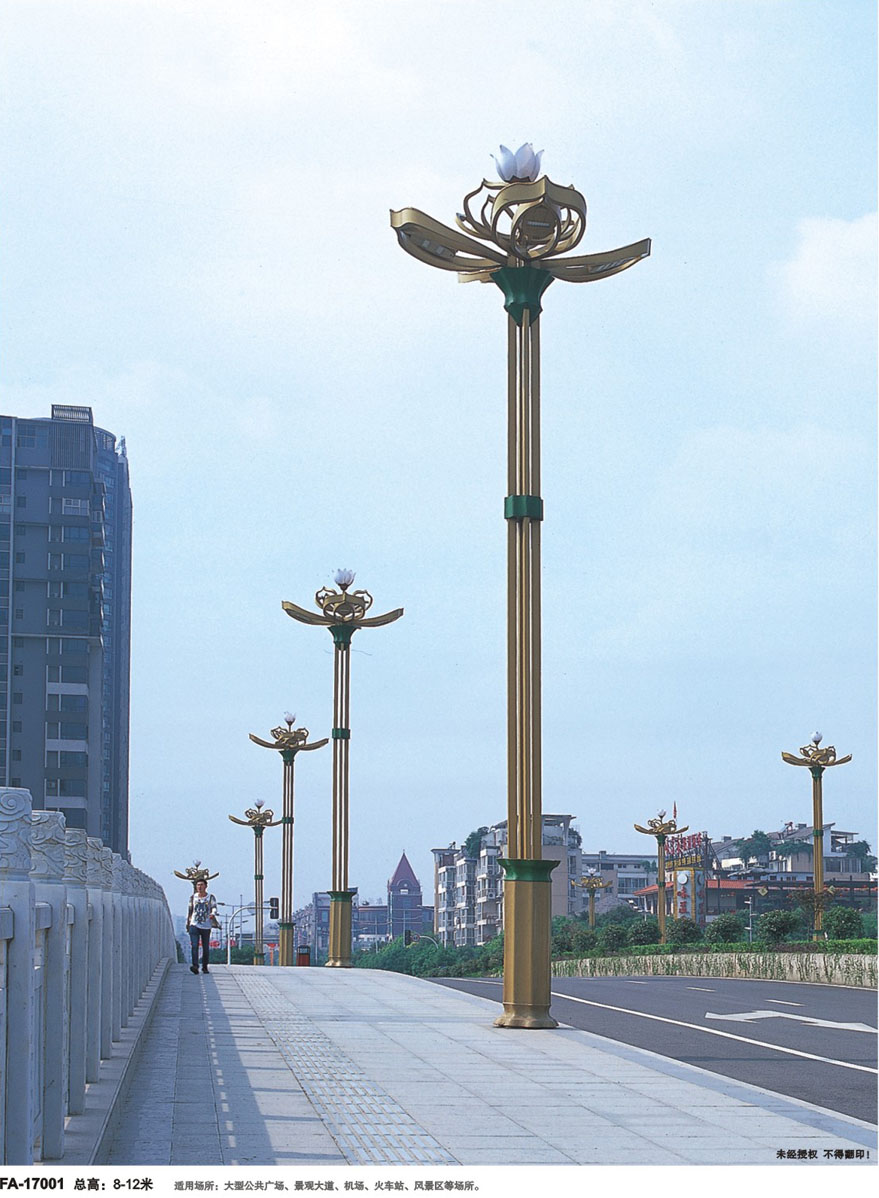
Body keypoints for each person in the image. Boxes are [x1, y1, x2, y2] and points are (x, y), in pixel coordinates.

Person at [186, 878, 218, 974]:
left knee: (205, 947)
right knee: (194, 945)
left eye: (201, 885)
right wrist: (188, 923)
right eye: (198, 885)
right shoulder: (193, 898)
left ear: (205, 886)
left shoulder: (210, 897)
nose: (200, 887)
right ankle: (195, 966)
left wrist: (213, 914)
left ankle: (204, 966)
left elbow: (214, 907)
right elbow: (190, 911)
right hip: (194, 924)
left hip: (206, 925)